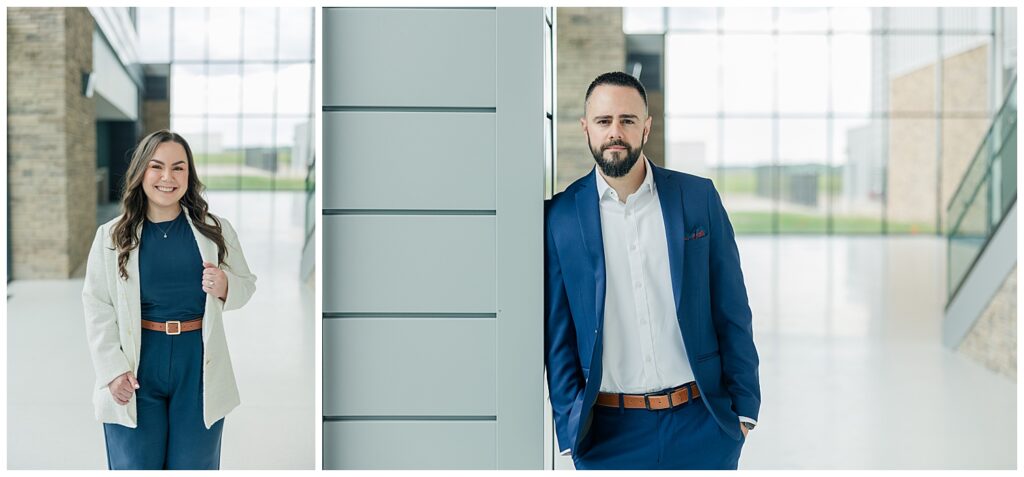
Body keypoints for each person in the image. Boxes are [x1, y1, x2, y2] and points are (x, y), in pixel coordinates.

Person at [544, 72, 760, 470]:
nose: (615, 132)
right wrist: (569, 430)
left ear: (646, 127)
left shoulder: (697, 199)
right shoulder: (559, 218)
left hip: (703, 424)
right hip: (608, 436)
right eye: (603, 121)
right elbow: (558, 337)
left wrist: (743, 411)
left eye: (627, 120)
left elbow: (732, 309)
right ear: (585, 128)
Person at [82, 129, 257, 470]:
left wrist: (224, 285)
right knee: (135, 464)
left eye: (178, 168)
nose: (167, 177)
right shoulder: (111, 235)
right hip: (137, 364)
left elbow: (246, 285)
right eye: (156, 166)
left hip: (197, 364)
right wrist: (113, 371)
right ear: (141, 173)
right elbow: (96, 304)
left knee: (195, 464)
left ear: (189, 175)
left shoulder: (215, 230)